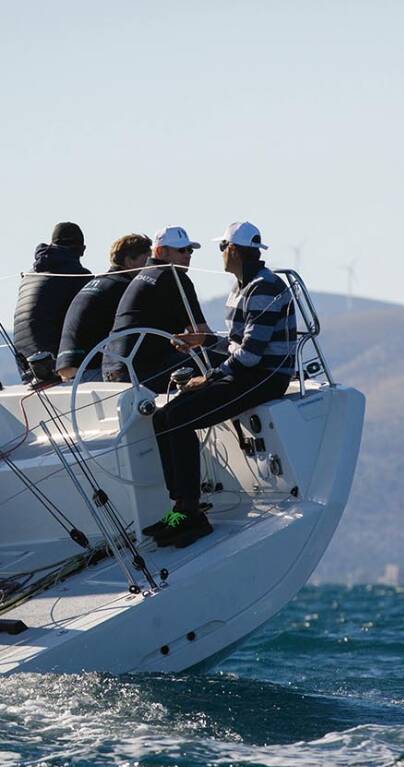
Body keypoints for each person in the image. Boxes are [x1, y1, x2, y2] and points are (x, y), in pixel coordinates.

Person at [146, 221, 297, 547]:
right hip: (245, 373)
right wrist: (203, 341)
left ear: (234, 250)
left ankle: (191, 513)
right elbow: (235, 345)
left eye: (221, 247)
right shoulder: (243, 286)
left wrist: (210, 377)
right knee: (162, 417)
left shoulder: (263, 288)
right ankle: (180, 508)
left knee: (179, 418)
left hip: (265, 378)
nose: (220, 254)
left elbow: (250, 356)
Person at [102, 225, 209, 391]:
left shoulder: (142, 276)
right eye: (181, 250)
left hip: (113, 371)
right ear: (160, 251)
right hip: (144, 373)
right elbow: (202, 334)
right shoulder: (175, 277)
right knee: (222, 361)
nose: (187, 255)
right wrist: (233, 348)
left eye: (190, 250)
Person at [56, 233, 150, 380]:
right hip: (91, 372)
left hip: (66, 372)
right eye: (147, 261)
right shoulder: (125, 288)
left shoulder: (96, 283)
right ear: (129, 261)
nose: (150, 268)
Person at [13, 222, 92, 368]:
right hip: (54, 361)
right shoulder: (77, 274)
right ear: (81, 249)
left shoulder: (29, 275)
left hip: (26, 364)